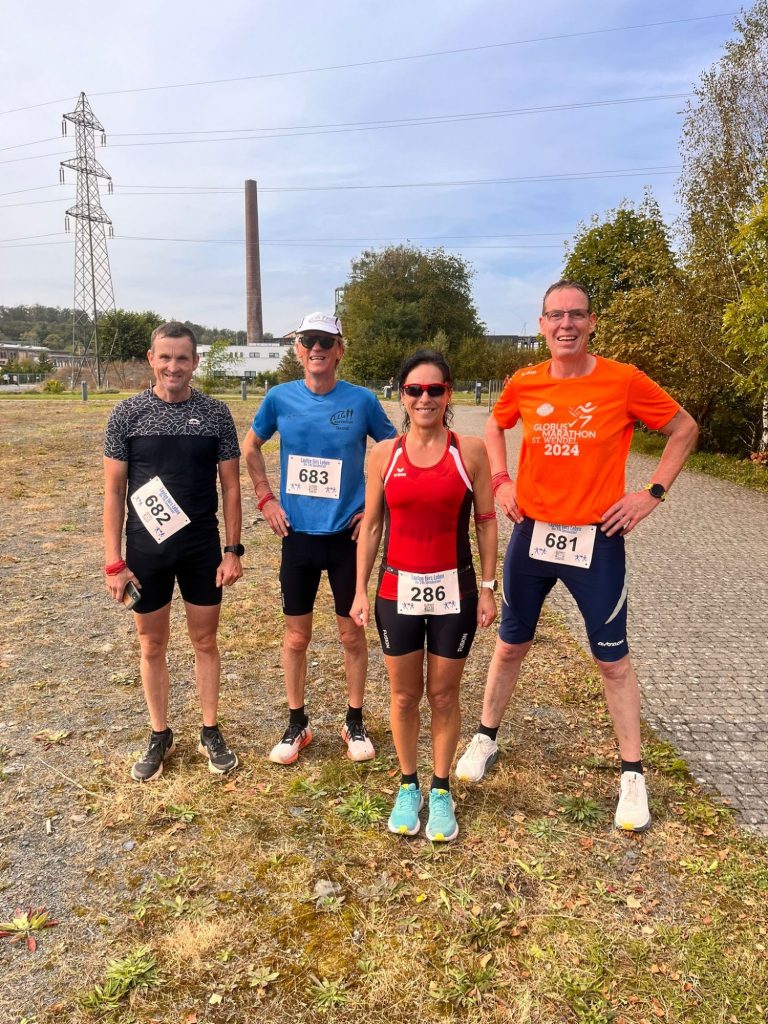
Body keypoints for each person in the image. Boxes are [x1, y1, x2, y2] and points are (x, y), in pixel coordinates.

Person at [455, 281, 699, 831]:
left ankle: (632, 773)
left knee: (612, 660)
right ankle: (486, 736)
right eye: (555, 315)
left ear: (591, 323)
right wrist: (501, 479)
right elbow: (495, 423)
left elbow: (683, 427)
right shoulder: (525, 381)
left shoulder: (623, 379)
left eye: (576, 315)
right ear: (542, 324)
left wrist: (652, 493)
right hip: (533, 535)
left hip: (596, 540)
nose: (565, 324)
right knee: (510, 645)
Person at [351, 350, 498, 841]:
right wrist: (359, 590)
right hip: (397, 590)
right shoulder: (383, 454)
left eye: (435, 389)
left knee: (443, 693)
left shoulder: (470, 451)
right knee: (403, 694)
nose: (425, 398)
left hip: (455, 590)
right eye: (415, 390)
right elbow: (372, 525)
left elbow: (486, 522)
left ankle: (440, 790)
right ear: (402, 396)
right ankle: (407, 784)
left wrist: (488, 587)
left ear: (449, 394)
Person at [242, 312, 396, 765]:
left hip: (347, 538)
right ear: (297, 349)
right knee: (296, 637)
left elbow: (393, 451)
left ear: (339, 349)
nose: (317, 348)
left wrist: (375, 506)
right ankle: (297, 723)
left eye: (326, 341)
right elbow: (250, 446)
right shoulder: (279, 398)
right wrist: (265, 498)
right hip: (298, 536)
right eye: (309, 340)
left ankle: (354, 720)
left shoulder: (362, 401)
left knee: (352, 635)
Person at [103, 322, 244, 782]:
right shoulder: (126, 414)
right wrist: (114, 561)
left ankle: (210, 730)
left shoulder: (216, 414)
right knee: (152, 644)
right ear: (151, 359)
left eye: (182, 358)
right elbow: (113, 491)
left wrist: (232, 550)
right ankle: (159, 733)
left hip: (201, 549)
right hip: (147, 553)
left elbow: (231, 487)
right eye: (165, 357)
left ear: (195, 362)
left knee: (205, 641)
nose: (173, 366)